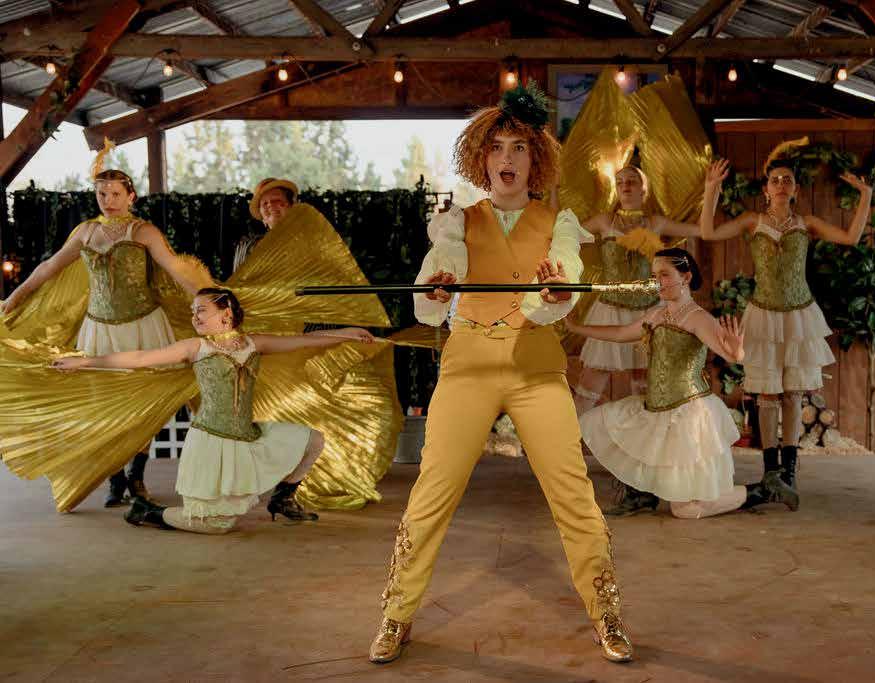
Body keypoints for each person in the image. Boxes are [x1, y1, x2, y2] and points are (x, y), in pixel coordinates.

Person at [368, 82, 633, 665]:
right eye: (496, 148)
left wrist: (556, 291)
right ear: (481, 159)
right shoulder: (456, 222)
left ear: (535, 161)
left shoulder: (560, 223)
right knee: (431, 493)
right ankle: (397, 614)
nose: (506, 158)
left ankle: (606, 612)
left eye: (518, 148)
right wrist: (436, 289)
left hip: (536, 367)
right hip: (468, 365)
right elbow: (436, 282)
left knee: (574, 495)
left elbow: (561, 280)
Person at [52, 288, 374, 533]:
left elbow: (303, 341)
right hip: (211, 443)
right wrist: (85, 362)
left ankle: (283, 498)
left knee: (313, 440)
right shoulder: (196, 347)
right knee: (217, 525)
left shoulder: (253, 343)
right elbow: (139, 359)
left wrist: (346, 333)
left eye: (201, 310)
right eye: (193, 311)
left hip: (247, 436)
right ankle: (148, 511)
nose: (195, 316)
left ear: (226, 313)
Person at [1, 153, 211, 507]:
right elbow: (50, 266)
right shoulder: (86, 232)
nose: (109, 201)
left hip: (143, 327)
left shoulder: (143, 231)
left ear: (131, 197)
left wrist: (207, 303)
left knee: (143, 404)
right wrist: (15, 297)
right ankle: (115, 479)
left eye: (115, 194)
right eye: (102, 194)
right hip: (98, 331)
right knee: (104, 405)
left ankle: (136, 477)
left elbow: (176, 269)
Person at [568, 248, 798, 518]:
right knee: (602, 423)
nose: (657, 282)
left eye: (664, 275)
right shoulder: (657, 315)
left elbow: (729, 354)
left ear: (686, 277)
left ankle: (764, 490)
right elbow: (621, 333)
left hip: (688, 414)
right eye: (654, 275)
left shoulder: (698, 318)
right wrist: (575, 328)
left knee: (686, 509)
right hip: (657, 406)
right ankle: (642, 495)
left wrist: (736, 352)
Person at [700, 140, 872, 498]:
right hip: (763, 314)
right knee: (766, 392)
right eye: (775, 180)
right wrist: (711, 188)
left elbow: (852, 237)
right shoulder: (753, 221)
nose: (781, 184)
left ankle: (790, 472)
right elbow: (708, 232)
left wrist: (866, 195)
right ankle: (770, 471)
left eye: (787, 180)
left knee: (793, 394)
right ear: (766, 189)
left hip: (798, 314)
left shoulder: (807, 224)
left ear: (795, 190)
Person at [566, 165, 699, 415]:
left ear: (643, 189)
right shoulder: (605, 221)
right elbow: (561, 235)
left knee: (647, 387)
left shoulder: (655, 223)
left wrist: (711, 189)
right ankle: (569, 437)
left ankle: (646, 436)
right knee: (589, 387)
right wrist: (553, 192)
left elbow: (703, 231)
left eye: (632, 181)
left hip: (650, 310)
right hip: (610, 309)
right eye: (620, 182)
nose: (625, 186)